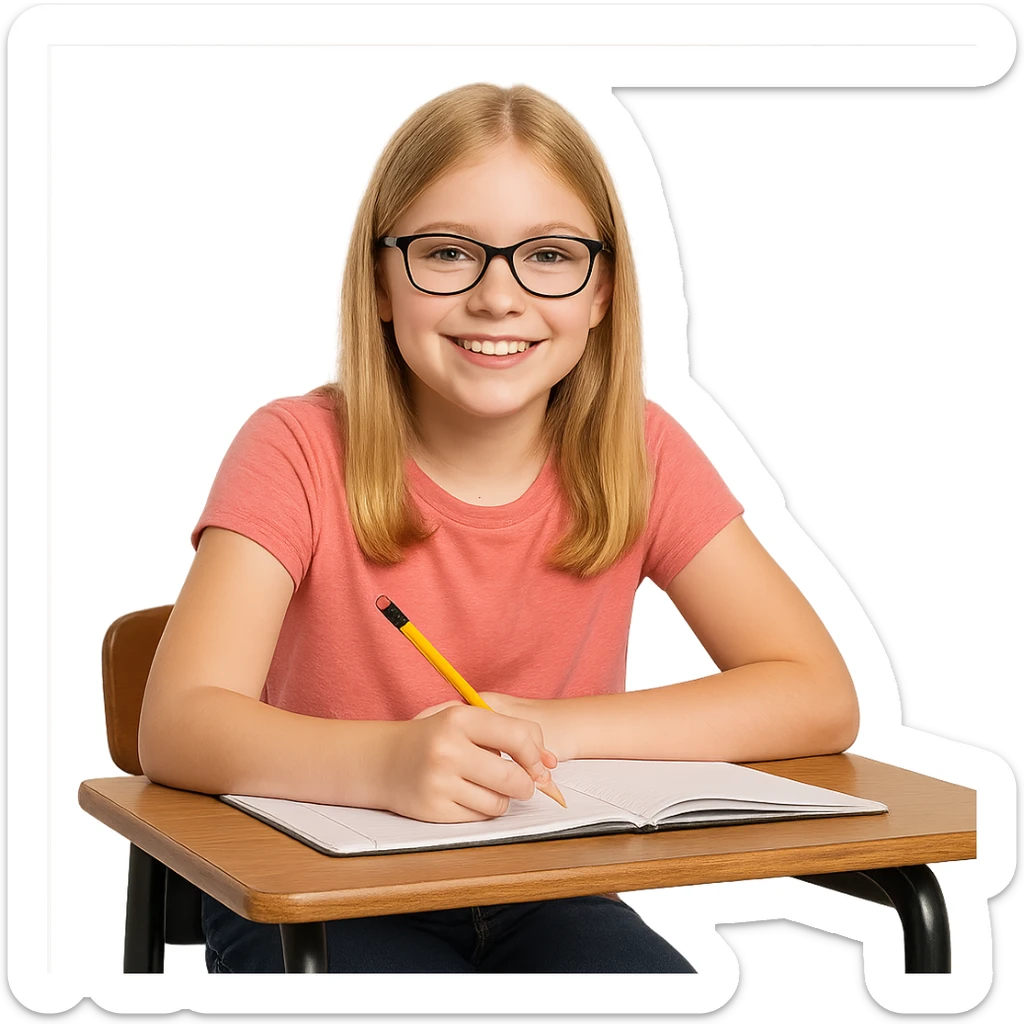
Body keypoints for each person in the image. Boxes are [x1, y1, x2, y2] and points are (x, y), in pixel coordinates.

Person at [137, 82, 860, 974]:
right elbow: (176, 725)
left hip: (547, 889)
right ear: (380, 284)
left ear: (601, 293)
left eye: (549, 256)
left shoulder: (639, 450)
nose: (498, 297)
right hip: (320, 894)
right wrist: (388, 764)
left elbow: (818, 694)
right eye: (447, 253)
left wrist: (545, 725)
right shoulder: (295, 447)